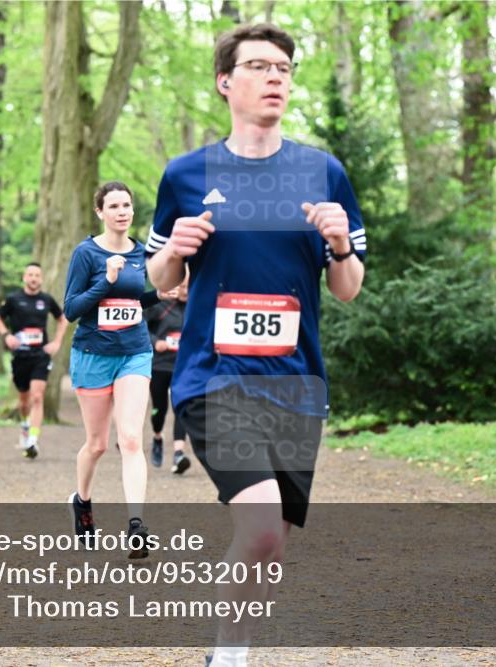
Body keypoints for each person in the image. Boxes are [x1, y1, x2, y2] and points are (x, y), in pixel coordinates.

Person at [145, 23, 366, 665]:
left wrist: (340, 245)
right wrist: (175, 251)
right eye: (261, 66)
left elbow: (348, 288)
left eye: (285, 68)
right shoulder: (187, 174)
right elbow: (161, 280)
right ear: (226, 82)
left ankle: (231, 645)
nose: (276, 77)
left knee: (274, 540)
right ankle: (229, 657)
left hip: (297, 383)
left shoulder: (322, 171)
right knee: (263, 526)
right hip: (214, 378)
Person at [63, 181, 159, 558]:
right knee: (98, 444)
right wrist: (107, 280)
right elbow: (72, 309)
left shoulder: (141, 253)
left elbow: (133, 303)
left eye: (127, 205)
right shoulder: (85, 253)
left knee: (131, 439)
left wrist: (159, 295)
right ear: (100, 212)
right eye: (114, 206)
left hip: (135, 352)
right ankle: (82, 501)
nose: (122, 211)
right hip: (93, 355)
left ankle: (136, 525)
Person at [0, 263, 67, 459]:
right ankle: (25, 425)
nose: (33, 278)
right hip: (20, 356)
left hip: (40, 355)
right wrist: (6, 336)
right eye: (30, 275)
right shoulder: (13, 299)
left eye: (37, 275)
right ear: (24, 278)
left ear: (41, 279)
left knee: (37, 396)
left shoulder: (46, 300)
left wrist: (57, 342)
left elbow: (63, 319)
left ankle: (33, 440)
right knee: (24, 401)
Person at [144, 272, 192, 473]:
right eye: (182, 286)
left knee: (181, 406)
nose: (185, 291)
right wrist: (157, 342)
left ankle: (179, 453)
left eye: (189, 287)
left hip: (184, 366)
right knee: (159, 410)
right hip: (160, 365)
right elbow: (140, 326)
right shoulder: (161, 305)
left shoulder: (195, 307)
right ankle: (157, 436)